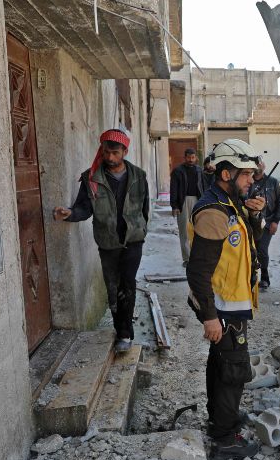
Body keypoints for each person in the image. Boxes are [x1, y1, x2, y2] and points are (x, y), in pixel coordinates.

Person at [185, 138, 266, 460]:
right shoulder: (214, 212)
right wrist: (209, 316)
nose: (250, 180)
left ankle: (221, 418)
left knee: (221, 363)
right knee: (233, 370)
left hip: (231, 304)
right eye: (245, 174)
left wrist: (254, 216)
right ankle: (225, 439)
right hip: (221, 308)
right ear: (226, 174)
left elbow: (249, 244)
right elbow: (198, 271)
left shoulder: (230, 205)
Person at [53, 129, 149, 353]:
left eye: (115, 153)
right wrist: (70, 213)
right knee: (113, 287)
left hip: (133, 240)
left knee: (128, 284)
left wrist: (142, 229)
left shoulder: (139, 176)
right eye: (106, 153)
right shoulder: (91, 178)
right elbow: (83, 208)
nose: (110, 157)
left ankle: (125, 334)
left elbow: (144, 208)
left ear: (125, 152)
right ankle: (120, 327)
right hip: (107, 242)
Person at [170, 147, 207, 267]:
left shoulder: (199, 170)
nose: (191, 160)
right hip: (183, 201)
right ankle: (187, 258)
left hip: (198, 201)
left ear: (195, 158)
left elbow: (204, 187)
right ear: (185, 158)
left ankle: (196, 257)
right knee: (184, 230)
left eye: (193, 157)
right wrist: (174, 206)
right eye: (188, 157)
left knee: (198, 229)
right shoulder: (178, 171)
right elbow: (173, 189)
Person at [251, 158, 280, 289]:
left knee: (262, 250)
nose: (258, 165)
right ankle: (251, 276)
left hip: (268, 222)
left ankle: (265, 277)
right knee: (251, 250)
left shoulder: (273, 182)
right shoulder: (248, 182)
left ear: (264, 165)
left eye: (260, 163)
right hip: (252, 222)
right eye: (256, 163)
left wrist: (275, 221)